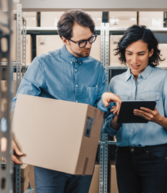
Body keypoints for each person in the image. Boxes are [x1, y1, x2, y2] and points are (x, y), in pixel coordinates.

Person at [11, 10, 121, 193]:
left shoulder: (97, 69)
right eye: (81, 42)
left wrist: (104, 102)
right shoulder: (43, 64)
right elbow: (20, 105)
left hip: (83, 155)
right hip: (49, 158)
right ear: (64, 39)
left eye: (91, 39)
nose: (88, 46)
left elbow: (98, 116)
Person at [102, 25, 167, 193]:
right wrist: (118, 116)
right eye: (129, 54)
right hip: (124, 157)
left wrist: (158, 119)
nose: (134, 60)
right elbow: (109, 129)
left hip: (155, 156)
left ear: (151, 52)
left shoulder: (164, 78)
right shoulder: (115, 82)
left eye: (141, 54)